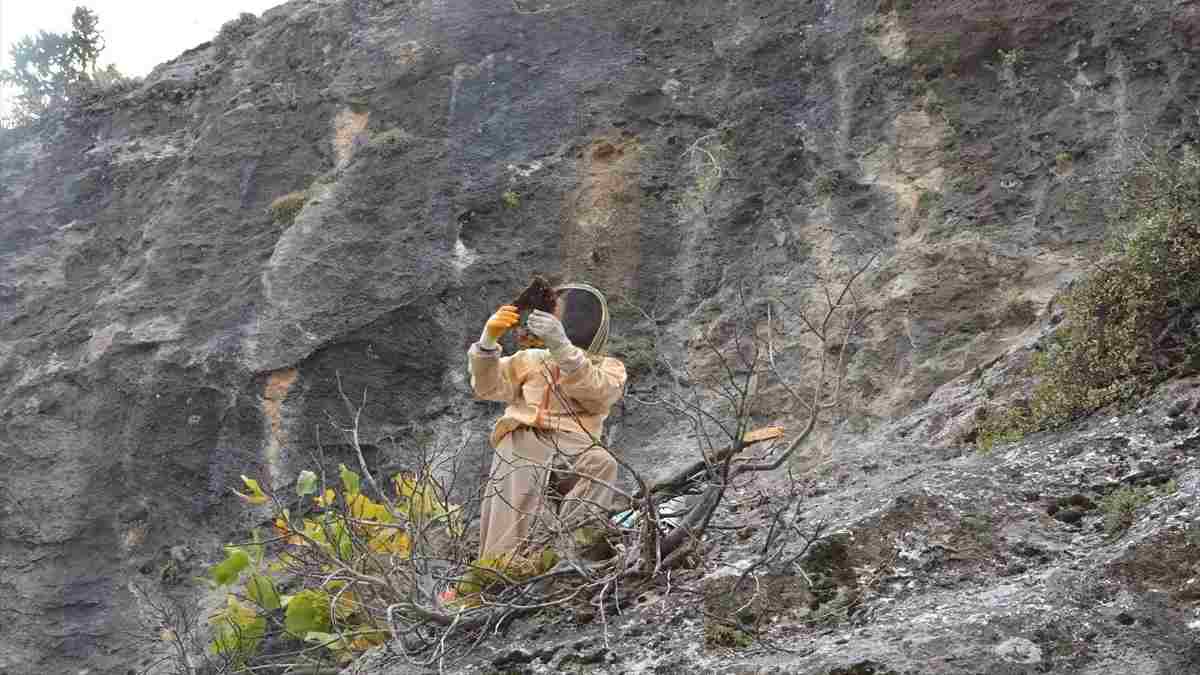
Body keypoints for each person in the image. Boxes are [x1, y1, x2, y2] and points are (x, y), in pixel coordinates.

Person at [467, 283, 627, 562]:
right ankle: (503, 574)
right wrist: (487, 342)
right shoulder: (531, 360)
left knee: (601, 464)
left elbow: (597, 393)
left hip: (574, 443)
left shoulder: (607, 366)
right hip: (523, 440)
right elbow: (487, 386)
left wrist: (563, 347)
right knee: (513, 516)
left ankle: (573, 555)